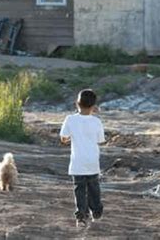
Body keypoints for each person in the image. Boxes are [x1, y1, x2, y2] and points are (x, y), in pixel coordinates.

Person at [60, 89, 105, 228]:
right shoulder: (97, 121)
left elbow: (63, 138)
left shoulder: (70, 119)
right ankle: (96, 211)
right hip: (92, 161)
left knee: (79, 190)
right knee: (93, 188)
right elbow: (101, 140)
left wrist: (71, 139)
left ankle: (81, 216)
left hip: (77, 163)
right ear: (93, 106)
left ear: (76, 104)